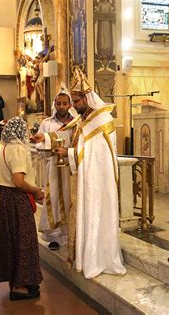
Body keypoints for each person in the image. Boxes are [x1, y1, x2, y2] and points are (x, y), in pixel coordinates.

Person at [32, 67, 126, 279]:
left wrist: (70, 153)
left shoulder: (101, 120)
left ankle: (98, 257)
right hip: (85, 178)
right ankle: (84, 254)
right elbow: (68, 136)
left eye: (76, 101)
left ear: (87, 98)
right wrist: (45, 139)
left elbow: (96, 154)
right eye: (71, 101)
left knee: (94, 217)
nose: (73, 106)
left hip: (97, 182)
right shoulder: (85, 118)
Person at [0, 117, 44, 301]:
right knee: (23, 240)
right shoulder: (17, 149)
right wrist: (36, 191)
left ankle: (21, 281)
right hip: (14, 198)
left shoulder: (5, 147)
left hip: (4, 196)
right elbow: (19, 181)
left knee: (12, 240)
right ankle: (19, 286)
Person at [36, 88, 75, 251]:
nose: (61, 107)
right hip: (53, 166)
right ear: (55, 105)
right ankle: (54, 237)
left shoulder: (76, 122)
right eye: (58, 103)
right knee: (53, 200)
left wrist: (68, 152)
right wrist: (49, 146)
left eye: (65, 103)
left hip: (71, 167)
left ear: (70, 105)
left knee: (70, 199)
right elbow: (38, 143)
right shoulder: (47, 123)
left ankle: (71, 235)